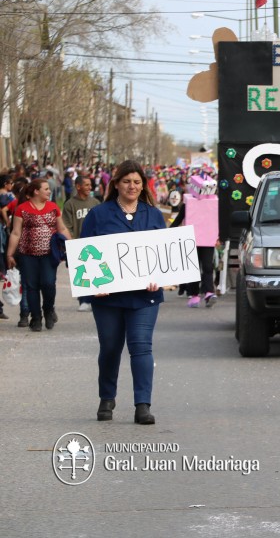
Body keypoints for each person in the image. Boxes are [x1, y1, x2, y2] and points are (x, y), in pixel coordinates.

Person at [80, 161, 165, 425]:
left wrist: (158, 278)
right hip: (108, 298)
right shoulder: (98, 214)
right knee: (110, 347)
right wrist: (93, 285)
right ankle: (107, 398)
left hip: (144, 297)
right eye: (126, 181)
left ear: (143, 185)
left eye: (137, 182)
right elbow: (84, 252)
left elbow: (163, 255)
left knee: (141, 346)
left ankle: (143, 405)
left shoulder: (154, 215)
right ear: (116, 184)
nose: (132, 186)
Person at [5, 179, 72, 331]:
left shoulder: (53, 207)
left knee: (49, 283)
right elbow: (16, 233)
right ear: (36, 191)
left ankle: (48, 310)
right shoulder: (22, 209)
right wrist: (10, 254)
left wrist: (72, 245)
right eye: (46, 189)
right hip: (27, 255)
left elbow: (62, 228)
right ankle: (35, 318)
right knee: (31, 286)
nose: (49, 191)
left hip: (49, 254)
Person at [62, 175, 101, 312]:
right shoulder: (70, 204)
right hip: (78, 243)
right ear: (78, 186)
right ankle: (83, 300)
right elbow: (67, 226)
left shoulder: (95, 203)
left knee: (95, 271)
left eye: (90, 185)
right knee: (81, 272)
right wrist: (71, 242)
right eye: (86, 185)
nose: (90, 187)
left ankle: (94, 299)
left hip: (94, 242)